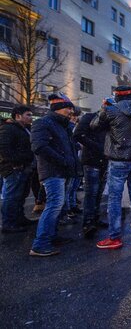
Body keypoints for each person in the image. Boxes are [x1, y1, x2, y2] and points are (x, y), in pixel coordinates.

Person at [91, 83, 131, 250]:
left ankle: (115, 237)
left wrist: (103, 108)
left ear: (117, 96)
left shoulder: (111, 110)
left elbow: (94, 126)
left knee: (114, 199)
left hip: (118, 160)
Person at [30, 94, 79, 256]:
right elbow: (39, 147)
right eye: (68, 108)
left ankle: (51, 236)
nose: (70, 111)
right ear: (58, 109)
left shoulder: (63, 126)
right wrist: (63, 160)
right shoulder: (43, 123)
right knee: (54, 205)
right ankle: (40, 244)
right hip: (52, 171)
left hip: (63, 171)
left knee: (59, 205)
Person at [73, 97, 112, 238]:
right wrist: (98, 147)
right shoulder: (89, 118)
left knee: (99, 192)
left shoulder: (110, 123)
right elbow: (78, 135)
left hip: (104, 161)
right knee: (91, 192)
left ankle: (94, 218)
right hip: (91, 160)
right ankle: (88, 222)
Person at [0, 105, 35, 233]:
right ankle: (8, 223)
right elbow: (4, 149)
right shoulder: (8, 129)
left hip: (23, 166)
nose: (31, 118)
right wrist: (17, 162)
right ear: (18, 116)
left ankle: (19, 218)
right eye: (28, 115)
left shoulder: (25, 129)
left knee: (20, 195)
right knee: (11, 196)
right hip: (14, 168)